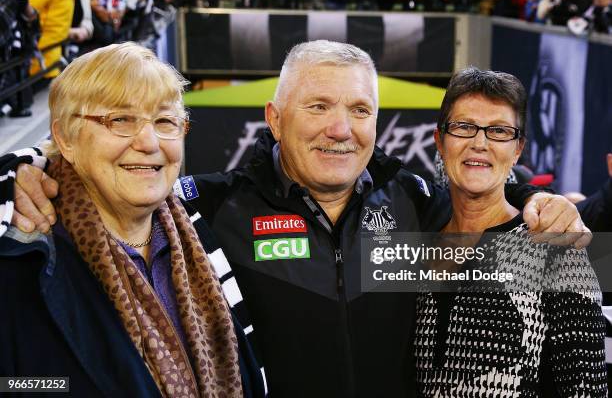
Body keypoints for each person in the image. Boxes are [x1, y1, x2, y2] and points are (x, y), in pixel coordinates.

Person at [4, 40, 591, 396]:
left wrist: (552, 206)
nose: (341, 128)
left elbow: (494, 222)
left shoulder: (413, 202)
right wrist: (35, 171)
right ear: (274, 118)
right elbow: (122, 182)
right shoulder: (210, 208)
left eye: (359, 109)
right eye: (318, 106)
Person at [0, 43, 265, 397]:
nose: (149, 141)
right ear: (64, 137)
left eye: (165, 121)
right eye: (120, 120)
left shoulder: (201, 227)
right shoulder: (20, 259)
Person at [416, 67, 607, 396]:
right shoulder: (416, 236)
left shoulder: (556, 246)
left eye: (499, 131)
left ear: (517, 149)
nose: (480, 143)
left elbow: (586, 389)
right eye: (464, 127)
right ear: (440, 140)